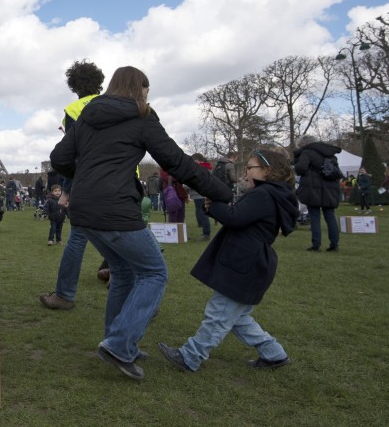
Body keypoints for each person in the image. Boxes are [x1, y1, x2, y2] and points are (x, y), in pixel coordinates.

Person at [50, 66, 233, 381]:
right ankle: (120, 344)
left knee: (122, 272)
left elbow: (59, 158)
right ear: (140, 89)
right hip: (115, 208)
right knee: (154, 272)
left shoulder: (86, 117)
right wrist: (222, 192)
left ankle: (115, 340)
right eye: (147, 90)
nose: (149, 95)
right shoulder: (142, 116)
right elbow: (176, 162)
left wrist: (86, 175)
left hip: (83, 209)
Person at [158, 148, 298, 373]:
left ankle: (190, 356)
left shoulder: (264, 194)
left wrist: (213, 206)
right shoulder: (273, 194)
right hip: (251, 263)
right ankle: (274, 354)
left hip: (245, 263)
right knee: (237, 317)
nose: (245, 174)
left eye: (250, 168)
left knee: (219, 314)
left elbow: (235, 217)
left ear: (267, 171)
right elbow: (240, 216)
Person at [39, 59, 105, 310]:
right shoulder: (118, 104)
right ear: (100, 82)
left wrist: (66, 190)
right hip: (122, 180)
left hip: (87, 181)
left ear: (73, 86)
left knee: (77, 238)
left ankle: (65, 295)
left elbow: (71, 155)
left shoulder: (74, 110)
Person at [294, 135, 341, 252]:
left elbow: (300, 169)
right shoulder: (330, 154)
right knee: (330, 216)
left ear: (303, 144)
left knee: (315, 217)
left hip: (312, 189)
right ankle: (334, 244)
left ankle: (316, 244)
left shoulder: (307, 153)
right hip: (329, 189)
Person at [188, 153, 213, 240]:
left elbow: (195, 182)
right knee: (201, 212)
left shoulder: (201, 169)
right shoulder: (206, 168)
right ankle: (205, 232)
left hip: (200, 194)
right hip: (200, 194)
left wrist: (186, 185)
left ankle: (206, 233)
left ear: (198, 160)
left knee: (202, 213)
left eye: (194, 161)